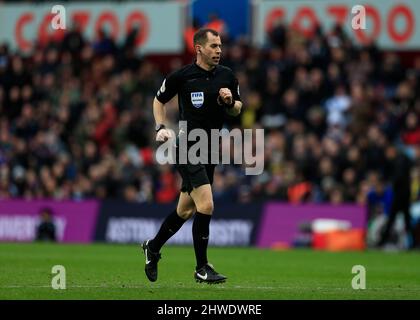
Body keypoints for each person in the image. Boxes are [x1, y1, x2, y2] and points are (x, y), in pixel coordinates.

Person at [141, 28, 242, 284]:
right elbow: (158, 100)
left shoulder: (227, 76)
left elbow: (237, 110)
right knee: (206, 204)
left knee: (185, 210)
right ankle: (201, 267)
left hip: (210, 148)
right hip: (188, 146)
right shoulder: (183, 76)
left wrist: (230, 102)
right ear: (199, 48)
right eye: (213, 46)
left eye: (220, 46)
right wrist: (160, 127)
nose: (219, 50)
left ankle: (152, 247)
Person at [377, 146, 414, 248]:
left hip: (401, 194)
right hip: (405, 194)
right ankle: (412, 243)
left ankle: (382, 241)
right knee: (406, 219)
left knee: (393, 218)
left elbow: (398, 177)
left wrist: (390, 182)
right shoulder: (403, 159)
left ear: (391, 151)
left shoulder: (399, 161)